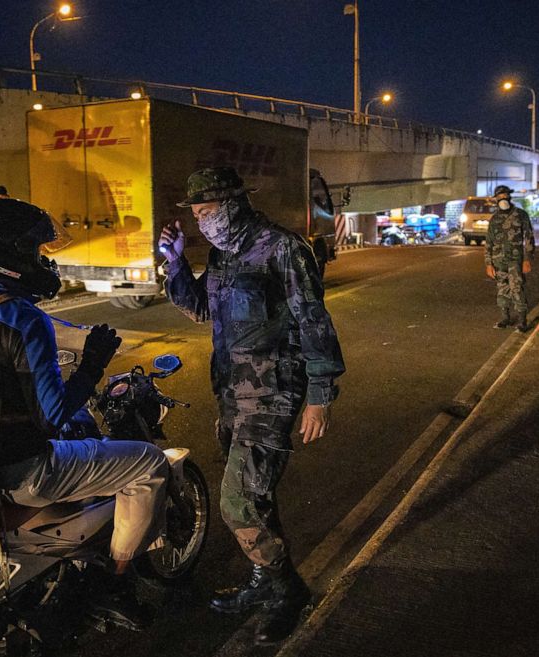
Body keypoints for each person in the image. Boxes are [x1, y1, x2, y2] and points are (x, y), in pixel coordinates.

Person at [0, 196, 169, 629]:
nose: (43, 260)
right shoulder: (27, 321)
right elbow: (53, 416)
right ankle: (115, 586)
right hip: (25, 469)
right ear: (11, 257)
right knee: (149, 463)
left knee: (83, 431)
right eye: (36, 251)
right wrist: (94, 365)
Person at [158, 167, 346, 645]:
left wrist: (320, 397)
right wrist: (176, 264)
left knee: (236, 502)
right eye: (195, 214)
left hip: (273, 394)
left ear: (232, 205)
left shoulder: (283, 249)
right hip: (232, 396)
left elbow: (314, 321)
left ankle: (282, 590)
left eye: (205, 211)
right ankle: (274, 583)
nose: (200, 222)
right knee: (256, 497)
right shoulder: (222, 254)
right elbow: (203, 308)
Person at [485, 185, 535, 333]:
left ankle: (522, 321)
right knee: (502, 288)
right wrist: (488, 264)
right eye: (499, 197)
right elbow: (489, 242)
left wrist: (527, 259)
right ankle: (505, 318)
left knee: (516, 287)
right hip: (498, 260)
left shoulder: (520, 215)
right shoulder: (494, 219)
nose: (503, 199)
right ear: (496, 200)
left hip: (516, 260)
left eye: (505, 196)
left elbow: (529, 237)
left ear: (510, 197)